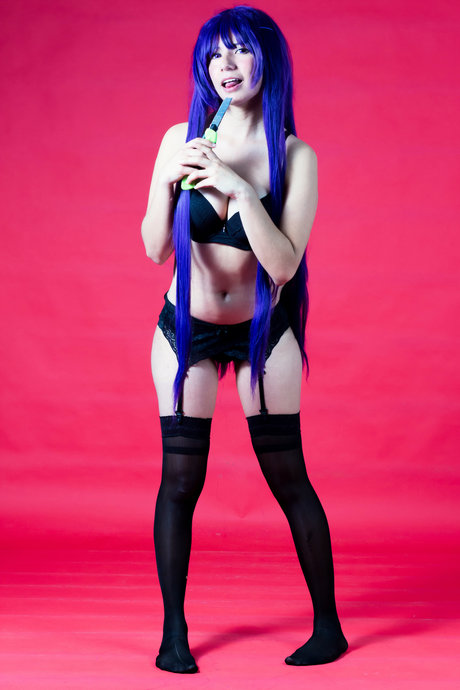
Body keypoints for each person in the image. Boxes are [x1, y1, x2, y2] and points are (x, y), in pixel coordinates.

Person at [141, 5, 347, 674]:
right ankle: (173, 634)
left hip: (263, 331)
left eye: (239, 51)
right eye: (214, 54)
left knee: (289, 477)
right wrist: (169, 179)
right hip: (186, 330)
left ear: (268, 59)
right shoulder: (180, 138)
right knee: (180, 481)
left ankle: (329, 628)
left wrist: (239, 189)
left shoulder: (294, 155)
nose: (225, 65)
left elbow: (283, 265)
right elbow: (153, 249)